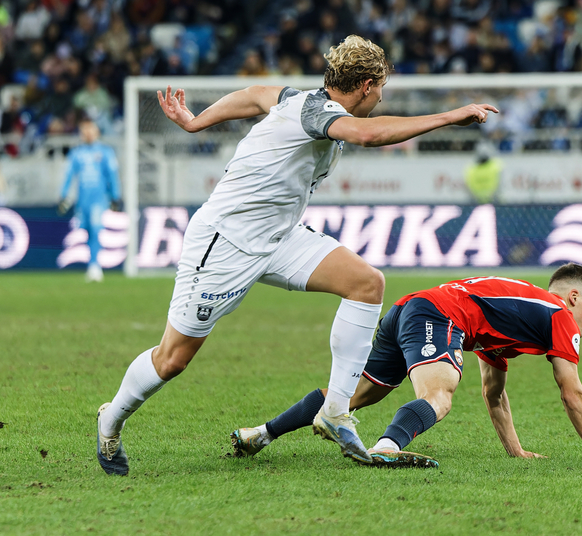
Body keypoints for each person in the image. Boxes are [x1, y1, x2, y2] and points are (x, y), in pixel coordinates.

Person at [95, 35, 499, 476]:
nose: (381, 96)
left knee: (366, 283)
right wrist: (450, 116)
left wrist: (195, 122)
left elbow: (254, 95)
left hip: (280, 236)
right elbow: (368, 134)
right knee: (173, 359)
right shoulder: (318, 112)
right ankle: (111, 419)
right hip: (226, 243)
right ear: (367, 85)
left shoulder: (297, 99)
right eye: (381, 87)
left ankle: (336, 411)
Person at [231, 263, 582, 467]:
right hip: (437, 316)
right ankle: (386, 449)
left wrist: (515, 451)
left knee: (351, 397)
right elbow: (572, 392)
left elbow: (494, 394)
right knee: (439, 396)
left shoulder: (518, 318)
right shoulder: (558, 314)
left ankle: (259, 434)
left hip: (410, 310)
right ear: (573, 297)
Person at [58, 115, 122, 282]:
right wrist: (63, 195)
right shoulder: (76, 153)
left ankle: (95, 266)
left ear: (96, 131)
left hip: (99, 199)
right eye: (84, 129)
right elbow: (69, 175)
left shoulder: (105, 152)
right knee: (86, 229)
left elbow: (112, 175)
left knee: (95, 227)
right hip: (82, 200)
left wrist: (115, 196)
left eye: (90, 129)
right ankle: (93, 265)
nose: (87, 133)